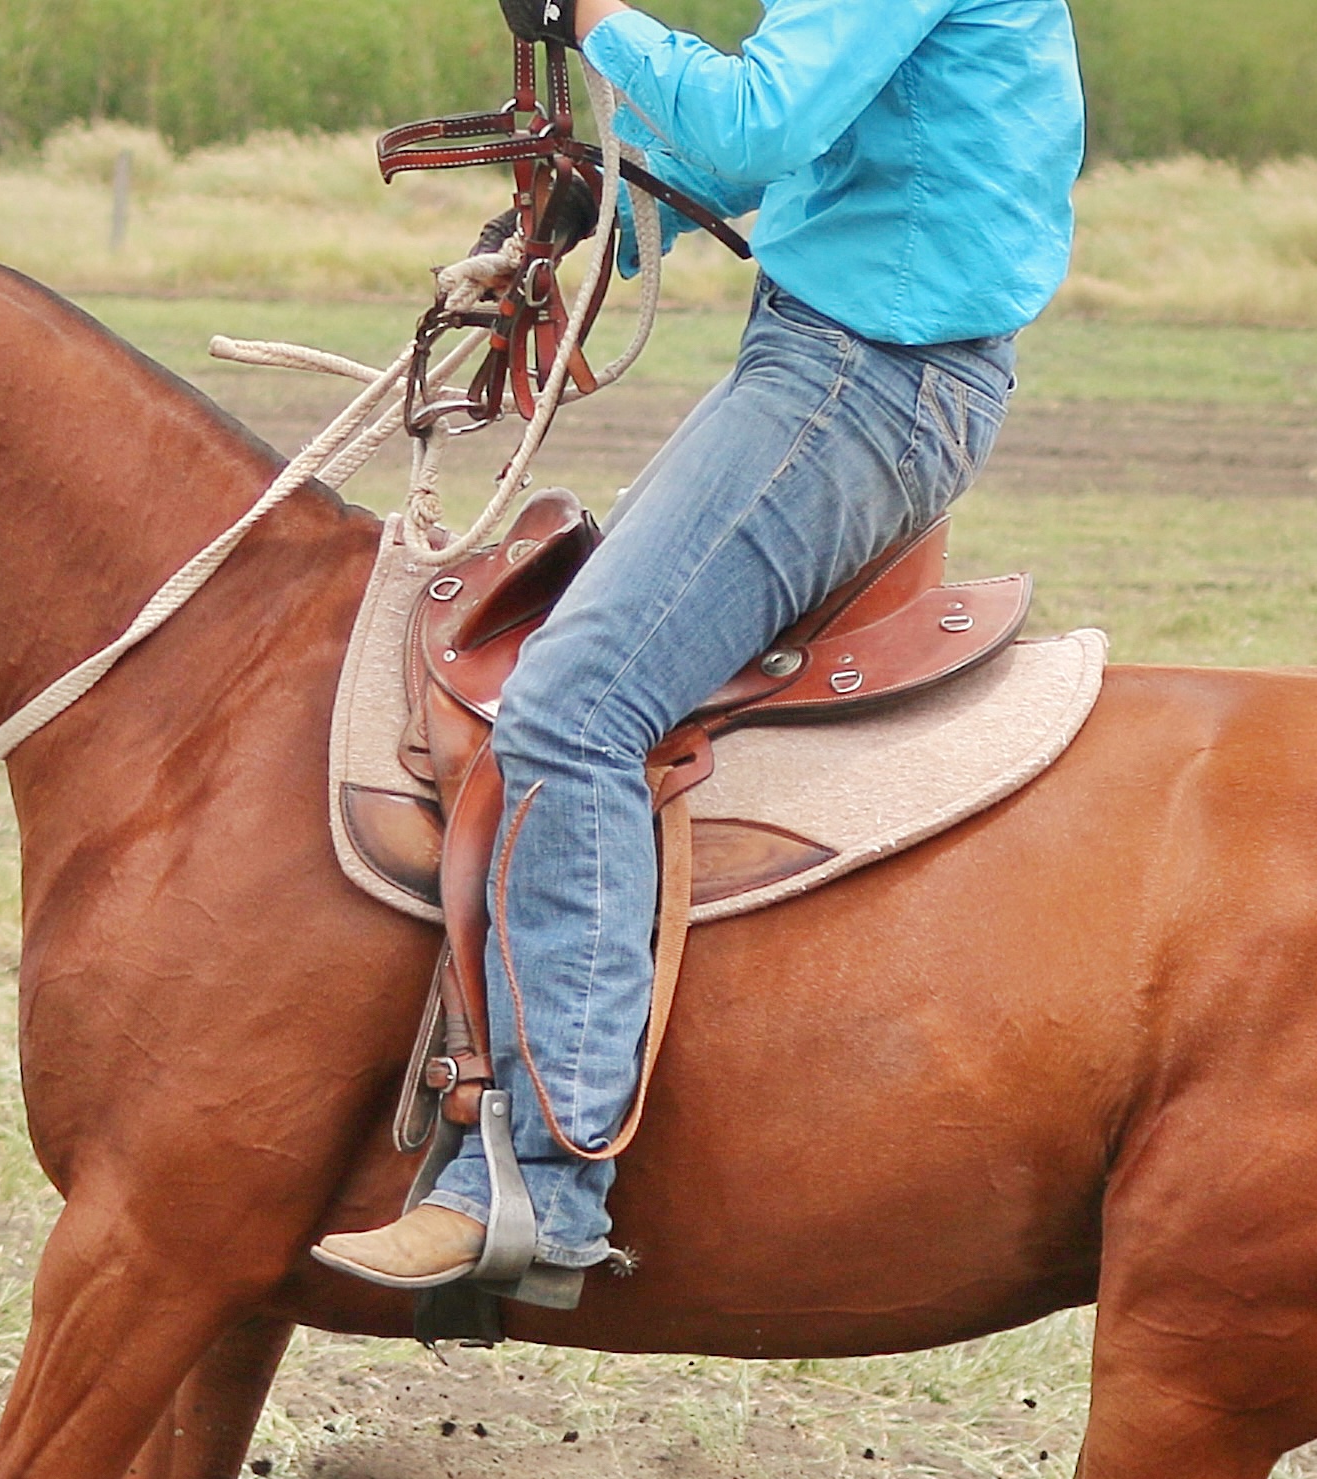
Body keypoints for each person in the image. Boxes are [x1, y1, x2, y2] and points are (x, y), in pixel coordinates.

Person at [313, 0, 1086, 1291]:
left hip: (862, 376)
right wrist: (583, 219)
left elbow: (757, 120)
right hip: (838, 358)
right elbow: (768, 153)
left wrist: (590, 14)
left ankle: (540, 1186)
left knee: (573, 707)